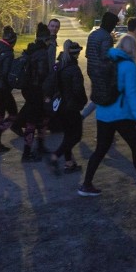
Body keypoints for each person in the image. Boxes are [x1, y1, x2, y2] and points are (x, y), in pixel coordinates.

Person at [78, 35, 136, 196]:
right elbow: (132, 94)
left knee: (100, 150)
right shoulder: (128, 66)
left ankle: (86, 184)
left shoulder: (106, 60)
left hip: (103, 114)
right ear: (133, 49)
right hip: (123, 115)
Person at [47, 40, 88, 174]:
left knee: (68, 135)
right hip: (71, 107)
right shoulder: (74, 69)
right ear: (76, 54)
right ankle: (55, 156)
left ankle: (69, 163)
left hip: (60, 106)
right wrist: (83, 101)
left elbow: (51, 85)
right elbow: (78, 90)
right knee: (76, 136)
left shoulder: (59, 66)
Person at [20, 23, 53, 161]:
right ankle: (26, 153)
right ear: (46, 39)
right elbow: (41, 75)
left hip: (29, 90)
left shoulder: (31, 49)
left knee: (40, 119)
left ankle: (40, 146)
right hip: (36, 92)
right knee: (33, 121)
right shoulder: (42, 53)